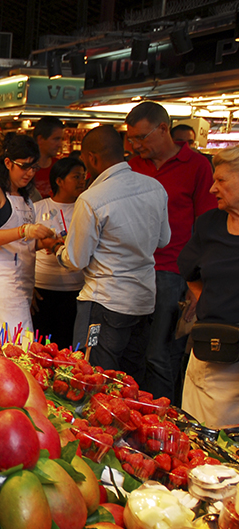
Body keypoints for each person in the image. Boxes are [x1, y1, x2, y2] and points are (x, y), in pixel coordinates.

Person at [52, 125, 170, 380]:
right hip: (143, 301)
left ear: (92, 158)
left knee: (96, 376)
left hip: (104, 303)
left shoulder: (93, 198)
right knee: (130, 379)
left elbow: (75, 259)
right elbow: (164, 240)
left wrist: (55, 247)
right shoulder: (155, 187)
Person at [126, 101, 217, 401]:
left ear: (163, 129)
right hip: (133, 271)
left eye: (141, 137)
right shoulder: (132, 166)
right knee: (132, 354)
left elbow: (207, 227)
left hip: (172, 274)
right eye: (132, 139)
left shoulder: (198, 166)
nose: (136, 145)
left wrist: (197, 284)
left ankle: (162, 423)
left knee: (161, 356)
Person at [178, 146, 239, 428]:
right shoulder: (210, 224)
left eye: (222, 181)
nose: (213, 188)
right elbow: (189, 270)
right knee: (202, 435)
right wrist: (208, 302)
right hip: (213, 352)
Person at [0, 135, 55, 333]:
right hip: (1, 285)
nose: (29, 173)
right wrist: (25, 230)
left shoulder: (25, 196)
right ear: (8, 163)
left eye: (33, 167)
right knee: (14, 347)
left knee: (17, 349)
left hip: (24, 283)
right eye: (24, 166)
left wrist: (44, 242)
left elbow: (22, 244)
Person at [32, 157, 87, 349]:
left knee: (67, 347)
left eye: (83, 176)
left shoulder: (86, 208)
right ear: (59, 180)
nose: (82, 181)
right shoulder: (38, 208)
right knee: (40, 347)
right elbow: (24, 250)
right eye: (76, 176)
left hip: (74, 290)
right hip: (41, 289)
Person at [32, 117, 66, 199]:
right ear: (40, 139)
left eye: (61, 139)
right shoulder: (25, 168)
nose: (60, 144)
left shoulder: (60, 167)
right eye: (56, 139)